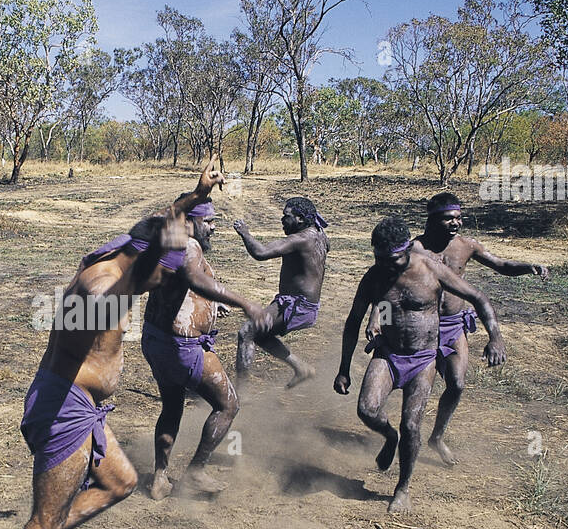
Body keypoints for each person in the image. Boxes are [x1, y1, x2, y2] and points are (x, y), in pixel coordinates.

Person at [0, 160, 262, 529]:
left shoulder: (126, 260)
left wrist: (193, 198)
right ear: (146, 264)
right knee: (46, 518)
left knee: (121, 482)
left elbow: (157, 230)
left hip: (82, 406)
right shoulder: (102, 285)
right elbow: (103, 292)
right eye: (160, 276)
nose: (159, 285)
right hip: (62, 409)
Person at [334, 216, 504, 512]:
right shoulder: (374, 276)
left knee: (412, 424)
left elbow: (478, 297)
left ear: (406, 251)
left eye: (394, 259)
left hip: (423, 359)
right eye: (380, 259)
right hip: (388, 355)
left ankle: (402, 489)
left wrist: (495, 337)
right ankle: (389, 437)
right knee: (367, 410)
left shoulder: (429, 269)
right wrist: (344, 368)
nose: (387, 265)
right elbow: (353, 322)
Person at [395, 191, 549, 464]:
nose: (455, 223)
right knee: (416, 386)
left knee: (457, 384)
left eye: (458, 218)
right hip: (422, 327)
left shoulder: (467, 246)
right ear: (431, 220)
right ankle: (405, 435)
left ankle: (437, 437)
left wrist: (528, 267)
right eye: (447, 219)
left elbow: (501, 264)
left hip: (454, 325)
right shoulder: (414, 249)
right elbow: (389, 285)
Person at [142, 195, 265, 499]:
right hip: (182, 346)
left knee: (172, 406)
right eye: (208, 221)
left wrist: (209, 306)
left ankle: (159, 478)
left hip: (156, 340)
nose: (212, 228)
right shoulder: (188, 245)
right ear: (191, 220)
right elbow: (195, 280)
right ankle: (196, 471)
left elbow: (180, 287)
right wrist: (243, 301)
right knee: (229, 404)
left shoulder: (168, 239)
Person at [232, 196, 330, 388]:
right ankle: (301, 368)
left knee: (247, 332)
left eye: (286, 216)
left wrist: (245, 233)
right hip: (304, 305)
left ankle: (239, 391)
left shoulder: (299, 239)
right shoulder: (320, 234)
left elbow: (260, 252)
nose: (282, 220)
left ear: (300, 219)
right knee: (260, 335)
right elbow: (326, 245)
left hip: (297, 306)